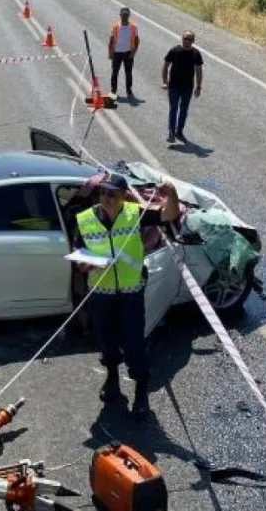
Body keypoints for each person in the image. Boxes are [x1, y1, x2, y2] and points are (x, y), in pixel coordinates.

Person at [73, 173, 180, 419]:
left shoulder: (136, 214)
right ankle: (112, 379)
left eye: (111, 194)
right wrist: (84, 264)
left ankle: (141, 393)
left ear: (123, 196)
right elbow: (78, 251)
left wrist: (171, 194)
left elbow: (169, 215)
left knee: (134, 343)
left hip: (130, 293)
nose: (105, 198)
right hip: (101, 292)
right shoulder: (86, 219)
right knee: (106, 340)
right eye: (102, 193)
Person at [161, 31, 203, 143]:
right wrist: (165, 82)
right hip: (174, 85)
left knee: (184, 110)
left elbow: (199, 71)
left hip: (188, 87)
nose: (187, 41)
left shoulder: (196, 53)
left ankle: (179, 131)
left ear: (193, 41)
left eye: (190, 39)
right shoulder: (174, 51)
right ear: (182, 38)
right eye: (185, 38)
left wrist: (198, 87)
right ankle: (171, 132)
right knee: (173, 108)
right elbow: (166, 66)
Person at [108, 6, 140, 98]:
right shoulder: (115, 27)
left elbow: (137, 40)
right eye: (123, 14)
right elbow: (111, 40)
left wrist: (133, 52)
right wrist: (110, 53)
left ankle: (129, 89)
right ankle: (113, 89)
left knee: (128, 73)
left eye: (126, 14)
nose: (125, 16)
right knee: (115, 73)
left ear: (129, 15)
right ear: (120, 15)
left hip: (128, 53)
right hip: (117, 53)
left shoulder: (134, 27)